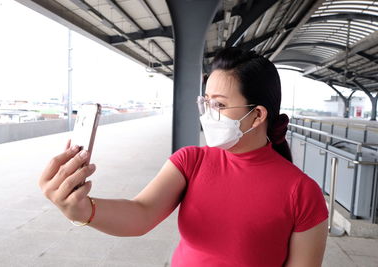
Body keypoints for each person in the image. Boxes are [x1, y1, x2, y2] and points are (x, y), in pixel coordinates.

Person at [39, 47, 328, 266]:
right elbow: (141, 213)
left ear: (257, 115)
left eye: (220, 104)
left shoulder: (302, 193)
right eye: (206, 102)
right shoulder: (191, 160)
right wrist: (84, 210)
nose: (208, 113)